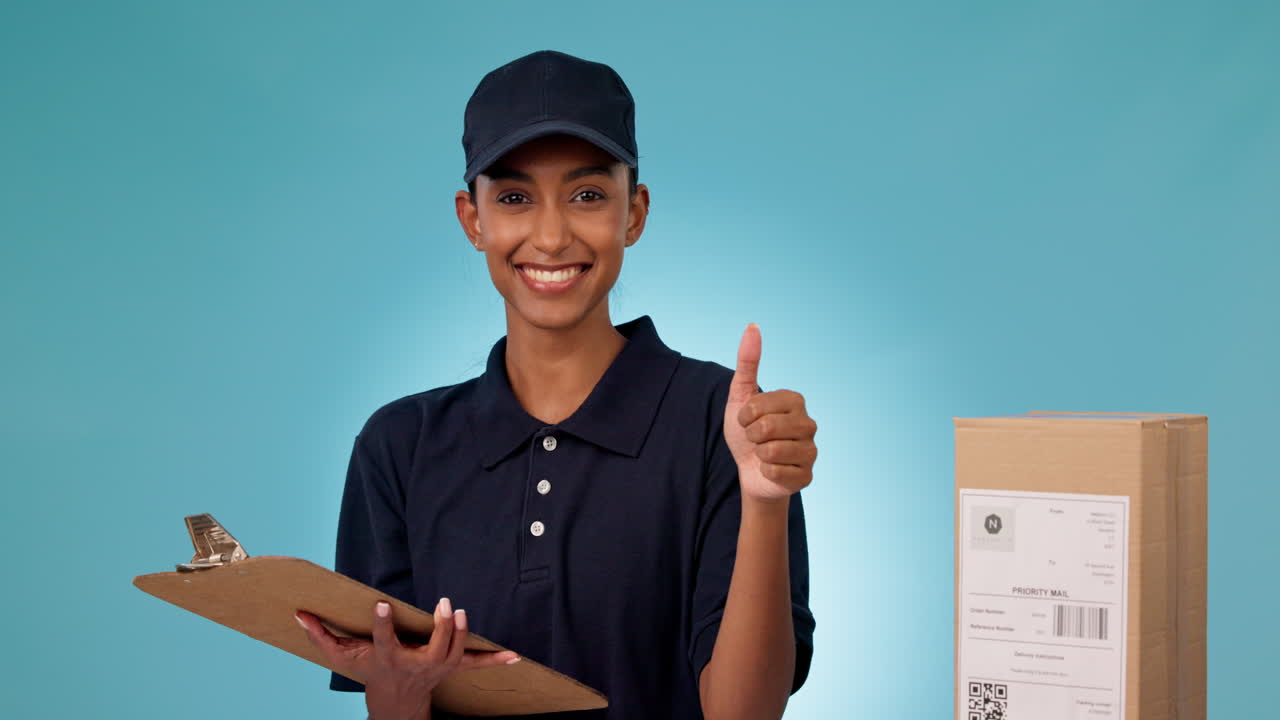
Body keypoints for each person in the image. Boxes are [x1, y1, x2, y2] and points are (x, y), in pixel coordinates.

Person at [295, 49, 818, 720]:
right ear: (472, 219)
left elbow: (744, 715)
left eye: (588, 195)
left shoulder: (721, 424)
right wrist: (399, 691)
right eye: (514, 198)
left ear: (634, 211)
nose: (549, 235)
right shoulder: (398, 447)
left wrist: (765, 502)